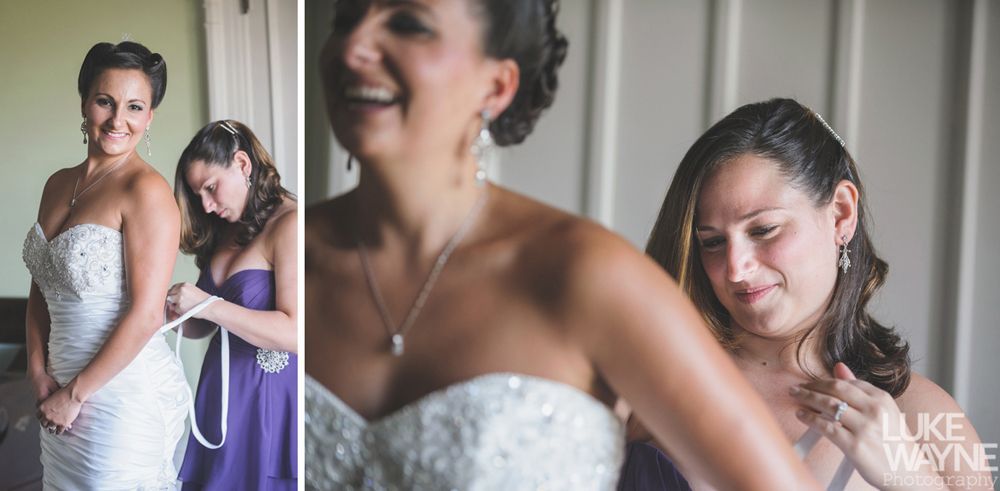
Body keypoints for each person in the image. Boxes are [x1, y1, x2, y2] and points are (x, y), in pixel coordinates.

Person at [304, 1, 819, 489]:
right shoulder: (280, 258)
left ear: (497, 85)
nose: (352, 49)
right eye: (345, 19)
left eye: (409, 23)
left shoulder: (586, 275)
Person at [626, 98, 992, 490]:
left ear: (841, 213)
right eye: (713, 242)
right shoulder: (643, 378)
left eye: (763, 230)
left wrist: (913, 481)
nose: (736, 268)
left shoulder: (925, 416)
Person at [22, 41, 189, 488]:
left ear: (150, 116)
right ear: (84, 103)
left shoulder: (147, 193)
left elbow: (147, 313)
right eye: (105, 101)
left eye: (135, 106)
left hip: (116, 398)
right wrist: (37, 372)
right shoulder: (57, 185)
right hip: (55, 393)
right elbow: (40, 286)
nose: (119, 120)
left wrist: (75, 395)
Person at [167, 119, 297, 489]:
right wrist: (165, 310)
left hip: (267, 401)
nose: (206, 205)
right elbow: (201, 325)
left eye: (210, 188)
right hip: (220, 395)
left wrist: (206, 304)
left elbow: (294, 331)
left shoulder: (289, 224)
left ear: (242, 164)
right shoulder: (227, 231)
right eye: (198, 196)